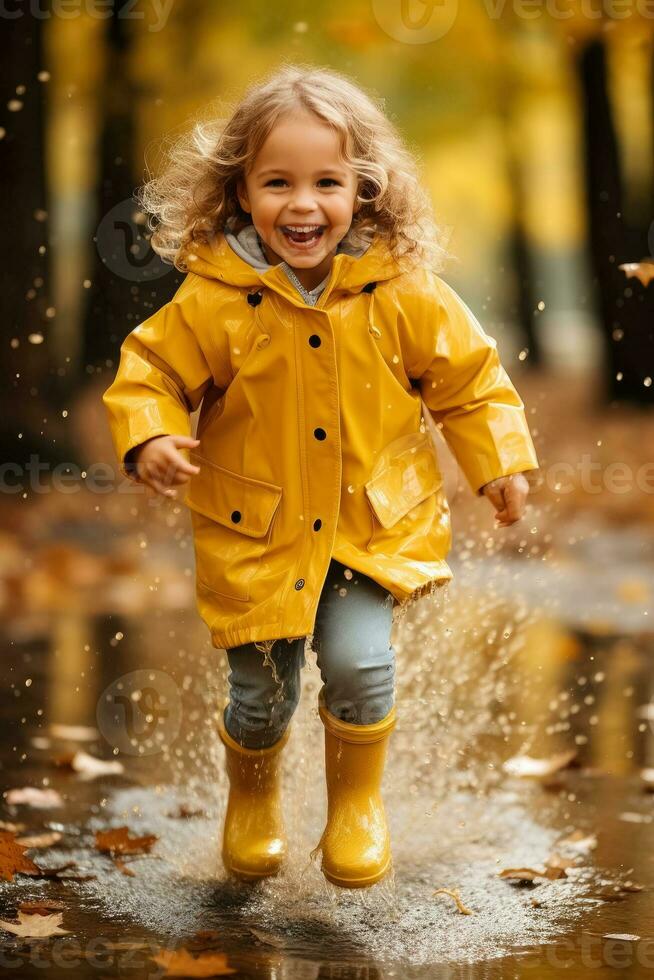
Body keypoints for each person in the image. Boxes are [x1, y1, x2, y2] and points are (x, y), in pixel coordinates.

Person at [102, 63, 540, 889]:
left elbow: (470, 381)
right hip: (258, 534)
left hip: (366, 528)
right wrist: (150, 435)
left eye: (327, 183)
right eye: (278, 183)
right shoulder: (217, 298)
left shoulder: (404, 292)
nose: (303, 205)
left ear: (364, 190)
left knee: (359, 664)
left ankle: (355, 808)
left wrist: (501, 461)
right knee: (260, 691)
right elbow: (150, 372)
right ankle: (255, 801)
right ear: (240, 191)